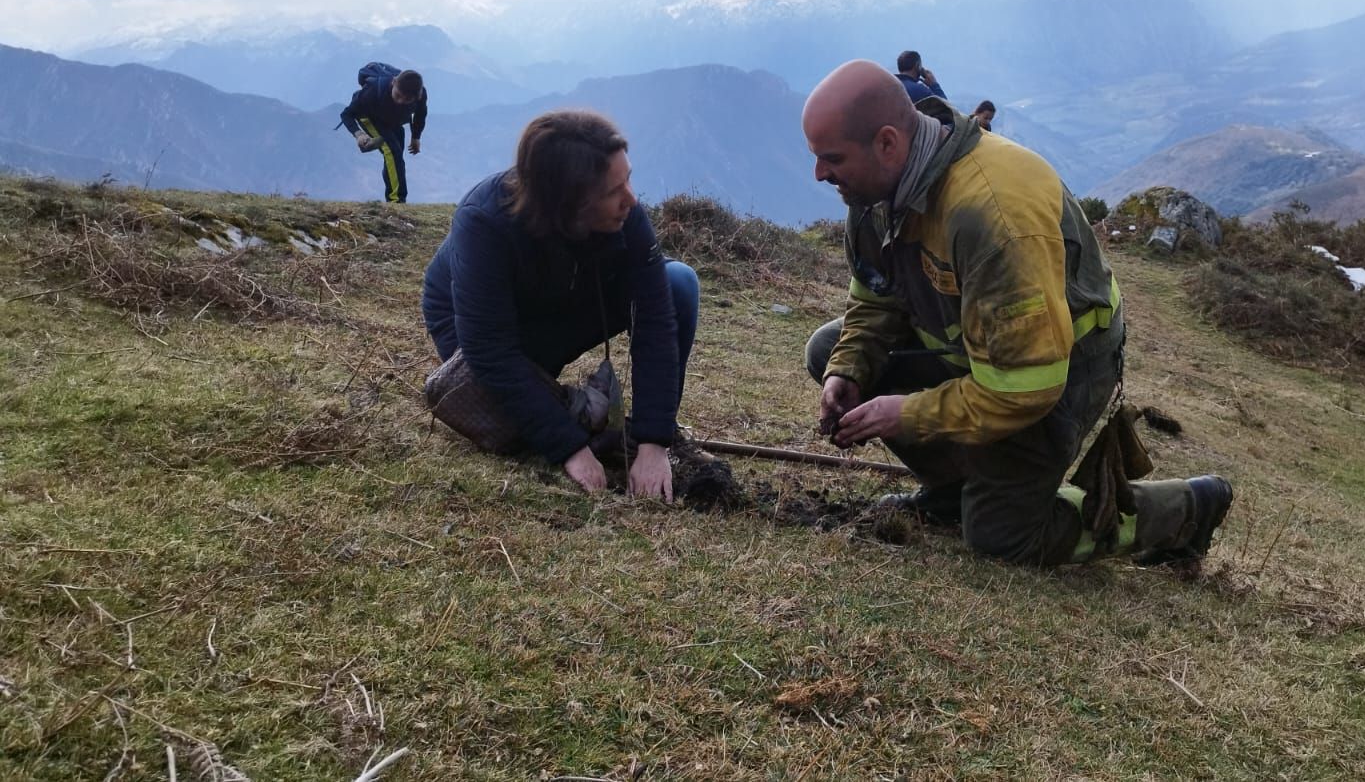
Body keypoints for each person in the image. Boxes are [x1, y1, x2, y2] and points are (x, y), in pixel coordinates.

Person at [799, 60, 1232, 568]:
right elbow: (875, 297)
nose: (819, 174)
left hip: (1060, 366)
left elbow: (1025, 386)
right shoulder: (875, 189)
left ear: (888, 143)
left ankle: (1184, 508)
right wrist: (848, 369)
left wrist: (907, 414)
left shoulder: (993, 216)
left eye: (831, 158)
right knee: (828, 349)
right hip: (979, 350)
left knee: (1003, 536)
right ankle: (952, 492)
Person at [421, 110, 708, 502]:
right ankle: (563, 413)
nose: (632, 199)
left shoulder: (628, 213)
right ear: (569, 203)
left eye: (628, 179)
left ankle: (621, 434)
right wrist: (569, 448)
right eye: (613, 191)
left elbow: (656, 315)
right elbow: (488, 347)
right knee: (504, 416)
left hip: (564, 302)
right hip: (479, 329)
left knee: (679, 284)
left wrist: (653, 442)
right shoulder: (484, 222)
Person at [340, 66, 427, 203]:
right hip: (368, 116)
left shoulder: (420, 95)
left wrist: (416, 137)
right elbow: (346, 114)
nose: (400, 101)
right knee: (392, 152)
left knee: (396, 155)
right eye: (398, 95)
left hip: (391, 120)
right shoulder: (372, 91)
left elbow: (420, 114)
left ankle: (378, 142)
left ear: (418, 96)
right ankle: (396, 201)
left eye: (407, 100)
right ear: (393, 83)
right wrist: (359, 134)